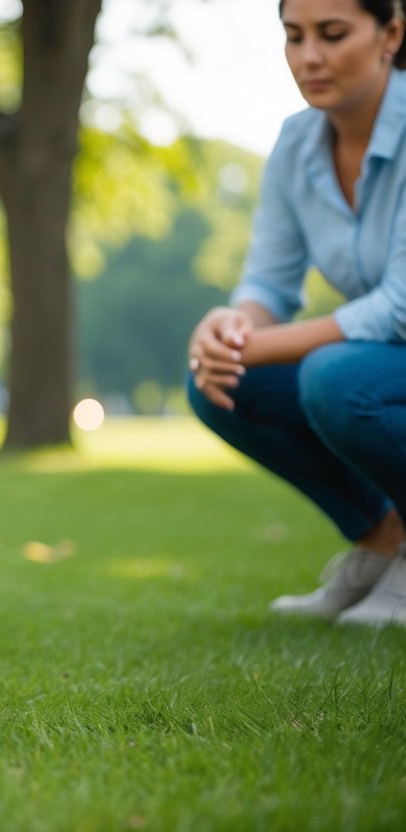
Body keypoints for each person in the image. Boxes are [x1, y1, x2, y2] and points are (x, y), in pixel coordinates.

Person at [187, 0, 406, 627]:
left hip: (386, 349)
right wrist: (230, 328)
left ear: (391, 33)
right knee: (222, 384)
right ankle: (381, 541)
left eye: (333, 35)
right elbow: (269, 282)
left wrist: (257, 345)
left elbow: (399, 306)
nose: (309, 57)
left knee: (335, 380)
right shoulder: (296, 141)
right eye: (294, 36)